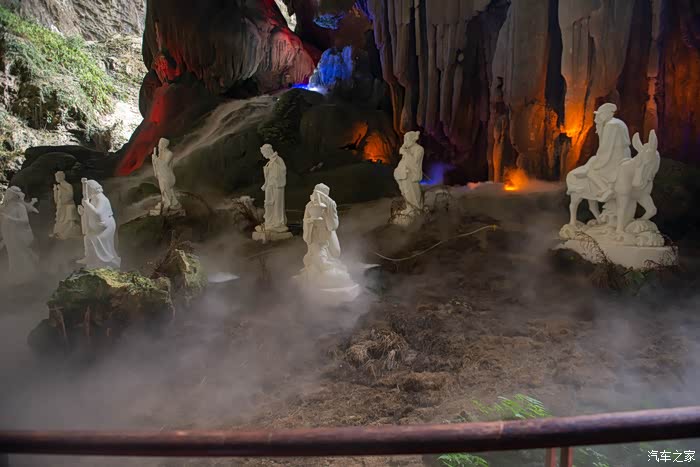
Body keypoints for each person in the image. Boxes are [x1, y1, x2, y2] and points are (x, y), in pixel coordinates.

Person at [566, 103, 631, 225]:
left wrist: (599, 162)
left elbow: (605, 148)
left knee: (591, 170)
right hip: (622, 156)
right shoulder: (619, 123)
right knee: (592, 160)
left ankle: (605, 189)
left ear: (607, 113)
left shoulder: (611, 125)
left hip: (615, 158)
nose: (598, 118)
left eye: (600, 115)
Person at [77, 180, 121, 270]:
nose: (86, 193)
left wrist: (87, 204)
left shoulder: (101, 199)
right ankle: (90, 258)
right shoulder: (94, 198)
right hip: (98, 226)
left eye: (87, 190)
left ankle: (107, 261)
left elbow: (98, 214)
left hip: (106, 226)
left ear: (91, 189)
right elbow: (91, 212)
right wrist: (84, 211)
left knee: (94, 238)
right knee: (87, 237)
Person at [0, 186, 38, 283]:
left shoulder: (19, 207)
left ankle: (26, 274)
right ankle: (14, 274)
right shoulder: (6, 207)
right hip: (9, 234)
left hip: (18, 235)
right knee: (12, 255)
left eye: (9, 194)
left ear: (13, 196)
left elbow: (25, 221)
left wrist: (9, 219)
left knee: (20, 254)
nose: (7, 196)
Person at [257, 144, 288, 233]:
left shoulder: (277, 159)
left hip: (277, 185)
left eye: (264, 153)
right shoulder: (270, 162)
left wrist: (275, 170)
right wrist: (265, 184)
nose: (263, 155)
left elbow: (283, 170)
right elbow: (268, 176)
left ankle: (278, 222)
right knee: (269, 204)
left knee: (277, 204)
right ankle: (270, 221)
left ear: (268, 151)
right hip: (270, 186)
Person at [394, 131, 424, 215]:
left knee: (413, 193)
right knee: (406, 192)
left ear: (412, 139)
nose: (405, 141)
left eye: (407, 139)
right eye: (405, 139)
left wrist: (405, 152)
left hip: (412, 176)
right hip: (404, 175)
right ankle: (409, 208)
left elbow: (414, 163)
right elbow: (404, 162)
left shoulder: (419, 149)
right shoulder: (408, 149)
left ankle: (415, 210)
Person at [152, 138, 182, 215]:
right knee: (164, 189)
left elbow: (165, 165)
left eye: (160, 144)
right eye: (159, 144)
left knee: (165, 186)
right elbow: (157, 167)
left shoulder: (169, 153)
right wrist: (154, 161)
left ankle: (168, 204)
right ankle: (172, 203)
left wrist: (156, 160)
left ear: (164, 145)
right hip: (162, 175)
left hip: (169, 177)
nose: (158, 145)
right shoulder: (161, 154)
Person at [51, 171, 81, 239]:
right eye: (56, 177)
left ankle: (67, 232)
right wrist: (55, 190)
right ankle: (59, 232)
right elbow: (56, 200)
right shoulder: (59, 187)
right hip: (61, 206)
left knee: (69, 218)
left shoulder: (68, 186)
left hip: (67, 205)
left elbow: (70, 196)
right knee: (59, 220)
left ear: (62, 177)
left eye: (57, 177)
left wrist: (61, 190)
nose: (56, 178)